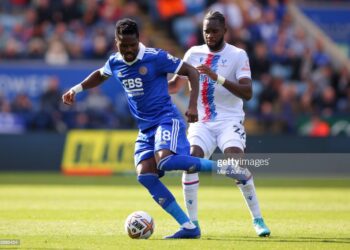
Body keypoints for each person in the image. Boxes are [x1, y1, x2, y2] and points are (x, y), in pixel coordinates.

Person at [62, 18, 251, 239]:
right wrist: (76, 89)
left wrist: (191, 105)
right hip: (145, 128)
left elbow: (191, 71)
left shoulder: (156, 57)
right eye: (124, 46)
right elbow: (100, 74)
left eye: (133, 45)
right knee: (145, 176)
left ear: (139, 40)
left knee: (166, 160)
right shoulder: (115, 62)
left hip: (166, 119)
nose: (129, 50)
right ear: (117, 42)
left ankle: (224, 168)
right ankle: (189, 228)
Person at [169, 11, 271, 237]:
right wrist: (150, 87)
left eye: (214, 31)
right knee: (190, 162)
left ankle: (258, 219)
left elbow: (248, 92)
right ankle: (192, 225)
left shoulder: (237, 55)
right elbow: (175, 86)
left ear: (225, 31)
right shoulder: (193, 53)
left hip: (229, 120)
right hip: (202, 122)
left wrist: (217, 77)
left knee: (235, 166)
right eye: (206, 31)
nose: (209, 35)